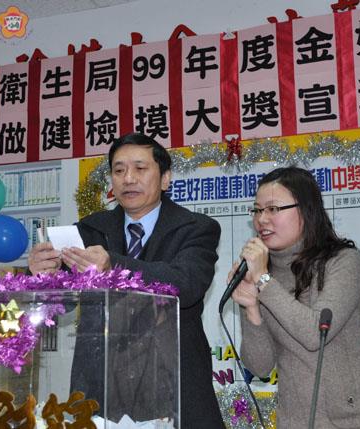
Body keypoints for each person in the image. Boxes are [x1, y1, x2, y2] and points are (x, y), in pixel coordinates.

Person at [28, 133, 225, 429]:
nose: (128, 178)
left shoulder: (196, 228)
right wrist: (41, 276)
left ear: (165, 179)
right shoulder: (90, 229)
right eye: (119, 170)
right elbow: (60, 305)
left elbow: (186, 284)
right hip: (102, 386)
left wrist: (114, 265)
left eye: (140, 168)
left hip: (172, 380)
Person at [229, 166, 360, 428]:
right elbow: (259, 366)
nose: (262, 219)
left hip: (358, 420)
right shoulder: (264, 274)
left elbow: (315, 334)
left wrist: (263, 281)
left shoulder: (343, 261)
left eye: (273, 209)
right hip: (297, 419)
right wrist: (251, 307)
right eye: (257, 210)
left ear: (306, 210)